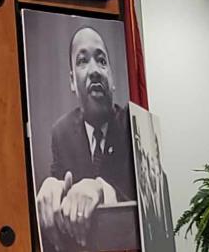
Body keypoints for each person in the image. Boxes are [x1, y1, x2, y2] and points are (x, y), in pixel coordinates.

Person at [36, 26, 136, 249]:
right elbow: (62, 192)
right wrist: (53, 190)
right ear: (72, 81)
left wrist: (100, 189)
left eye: (101, 61)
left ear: (112, 77)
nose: (94, 70)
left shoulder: (132, 125)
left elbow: (147, 205)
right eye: (82, 61)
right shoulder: (60, 134)